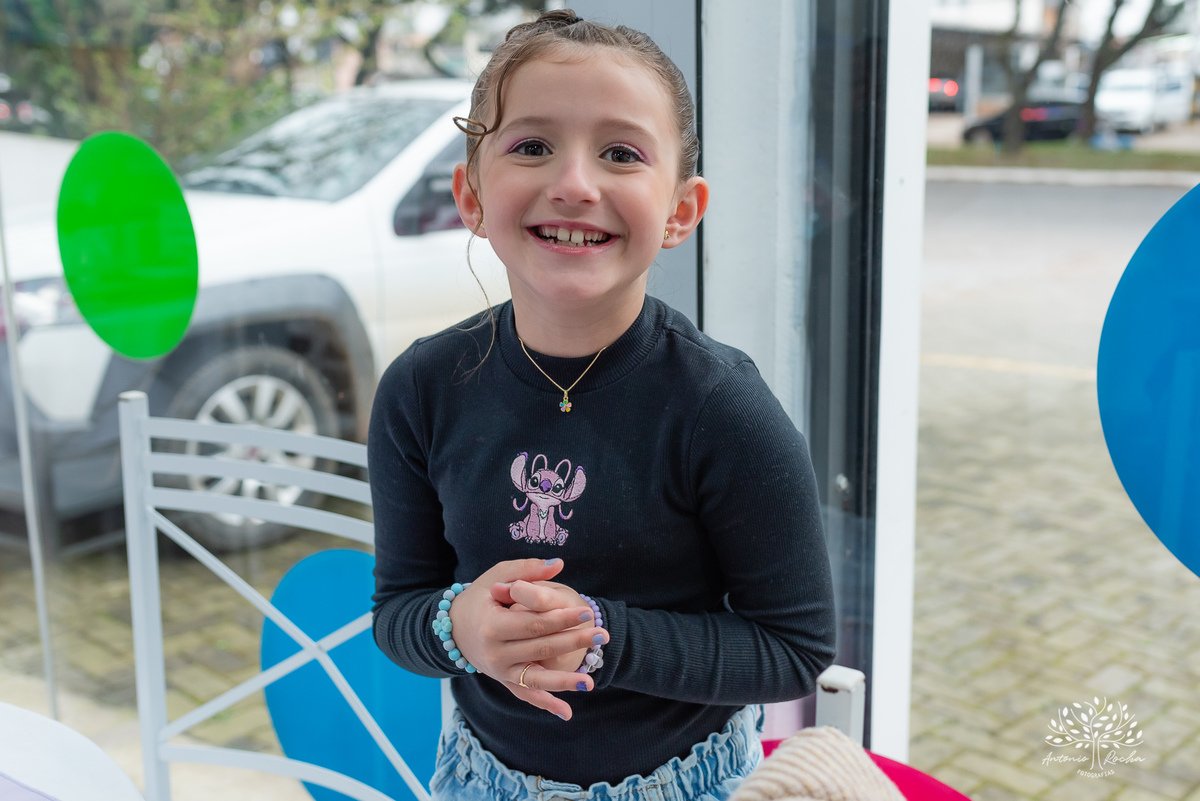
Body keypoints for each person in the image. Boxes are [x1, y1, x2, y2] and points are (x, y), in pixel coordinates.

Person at [369, 9, 837, 801]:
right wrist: (463, 627)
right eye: (531, 146)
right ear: (471, 195)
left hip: (689, 784)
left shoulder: (722, 408)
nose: (575, 184)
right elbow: (397, 614)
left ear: (681, 210)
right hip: (481, 779)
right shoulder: (420, 389)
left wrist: (597, 637)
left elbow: (793, 646)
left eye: (620, 153)